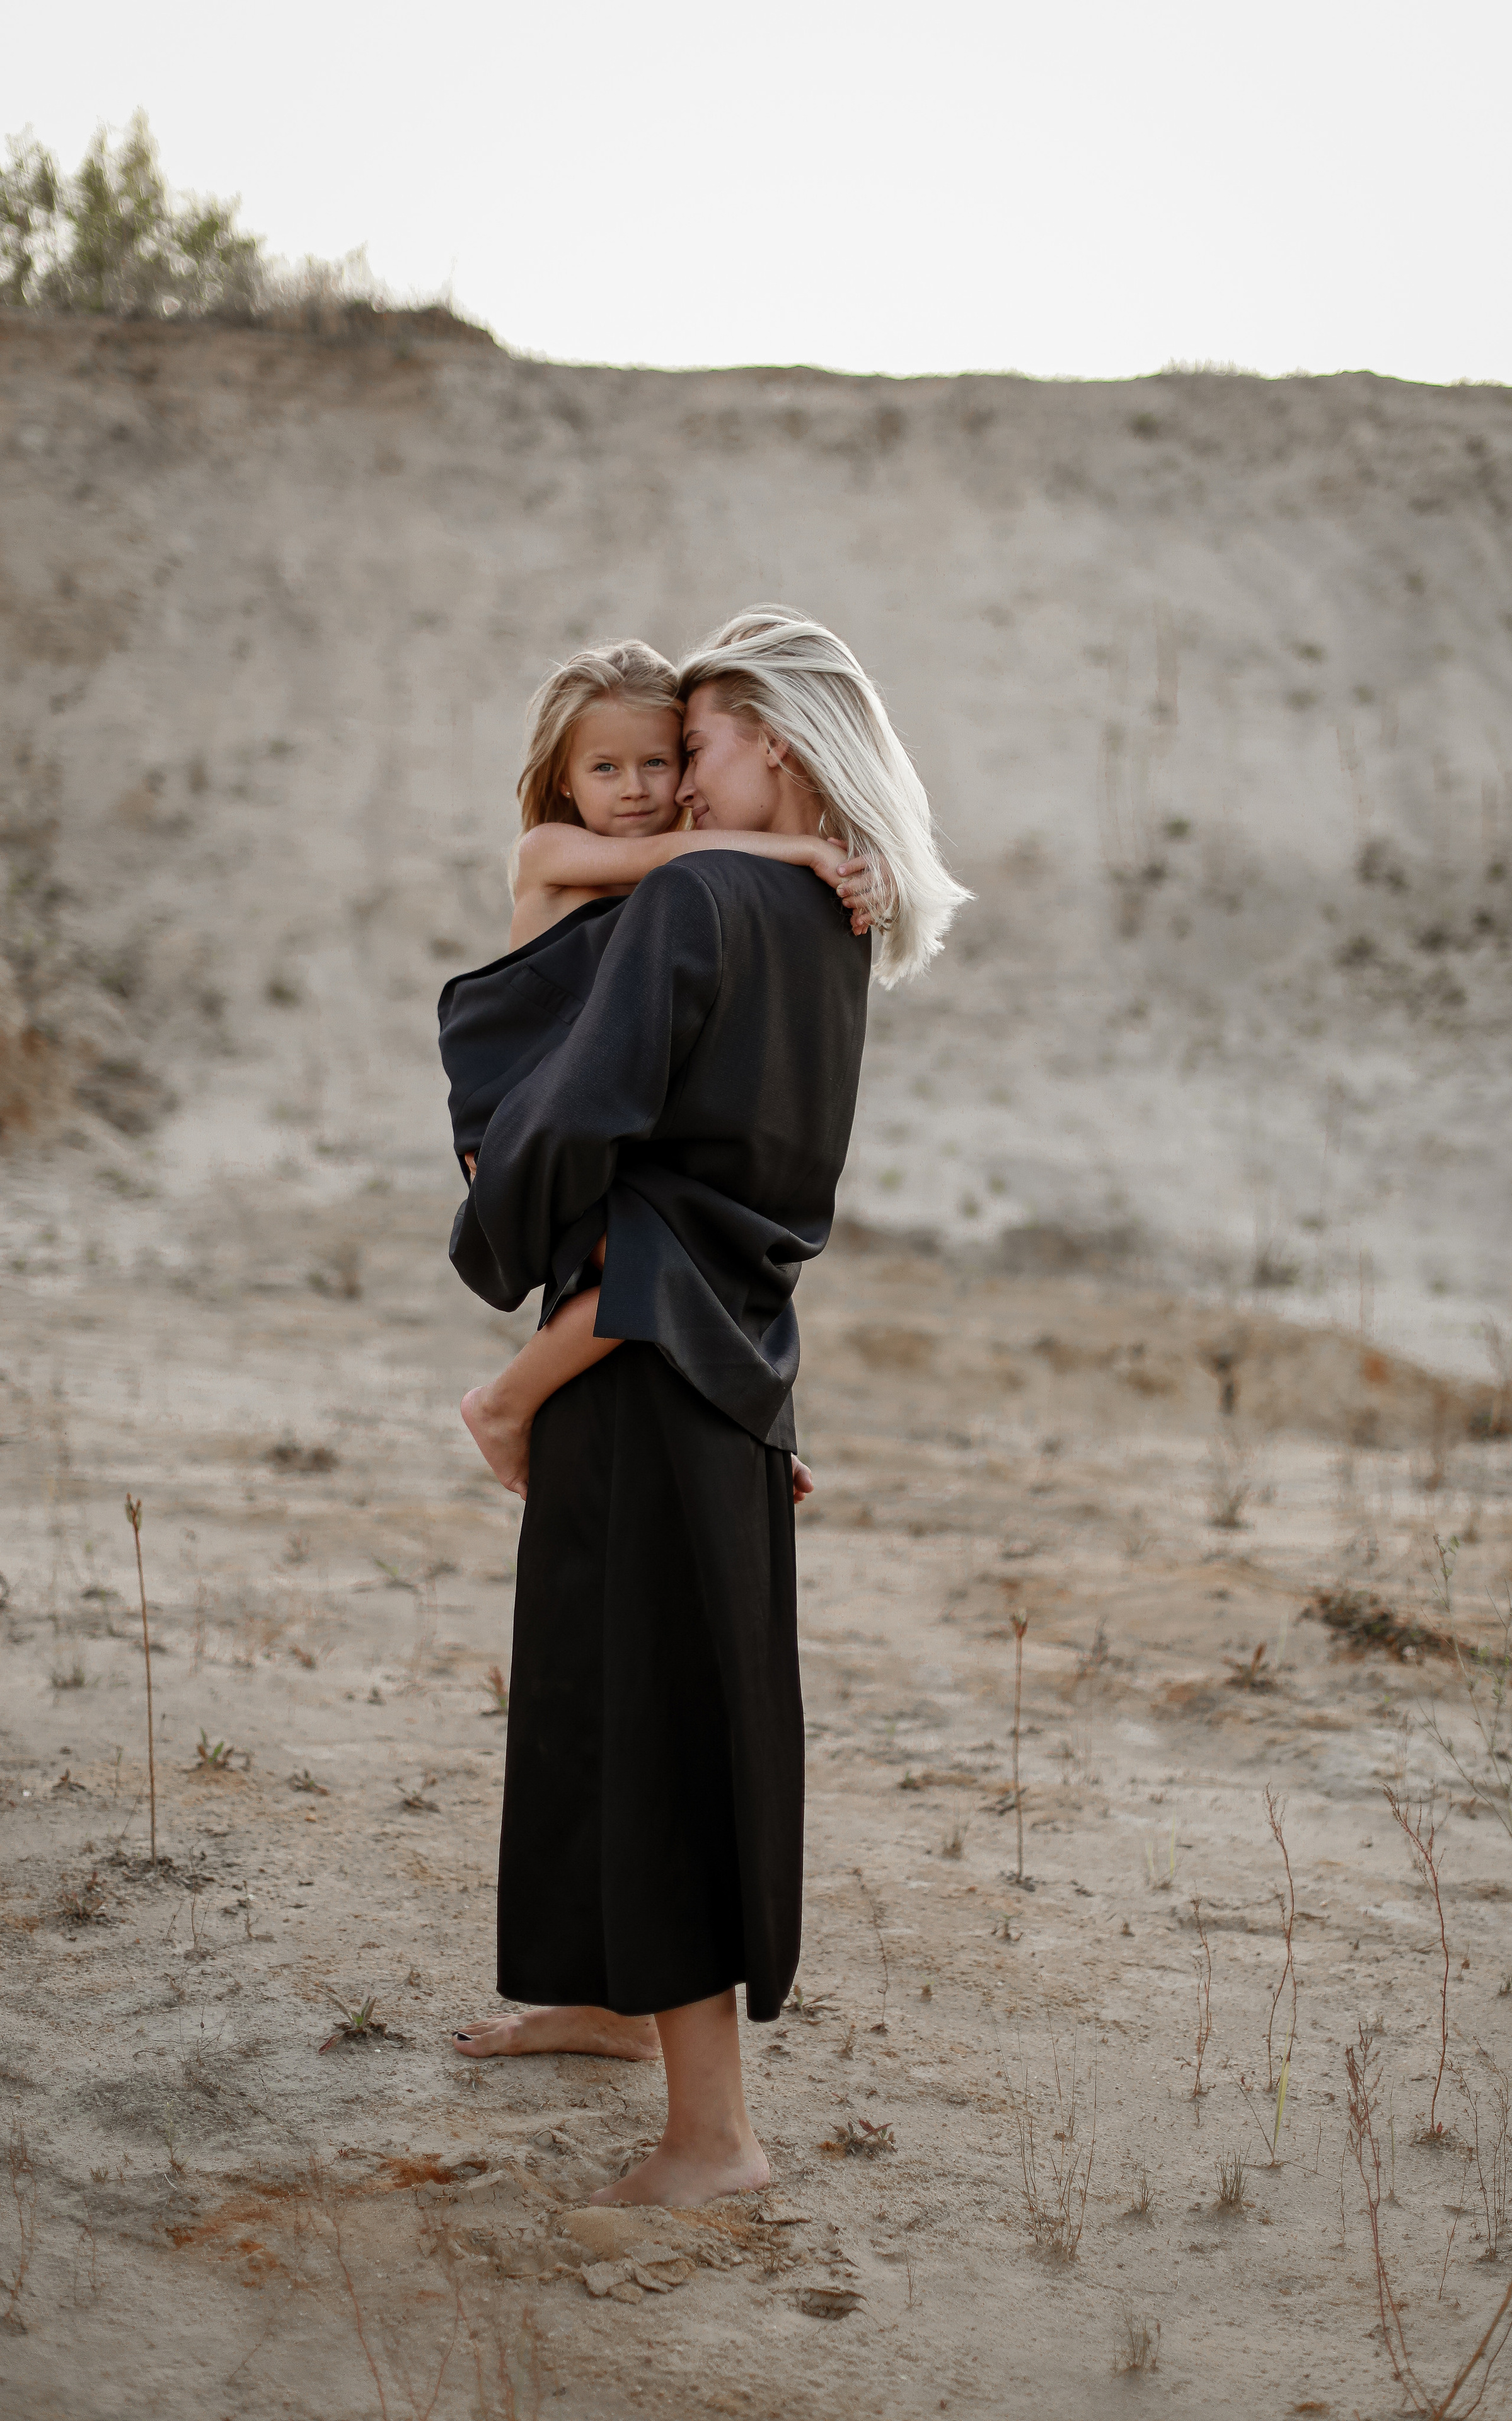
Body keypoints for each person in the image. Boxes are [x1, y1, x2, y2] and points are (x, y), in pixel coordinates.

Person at [447, 608, 969, 2205]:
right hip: (728, 1343)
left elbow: (578, 1116)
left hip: (646, 1350)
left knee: (654, 1716)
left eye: (705, 744)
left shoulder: (700, 898)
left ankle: (712, 2141)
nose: (677, 783)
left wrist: (499, 1205)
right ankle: (608, 2003)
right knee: (620, 1688)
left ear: (779, 748)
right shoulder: (835, 920)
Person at [441, 639, 876, 1498]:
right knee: (651, 1268)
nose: (638, 788)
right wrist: (803, 852)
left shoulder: (692, 858)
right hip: (516, 1102)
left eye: (660, 762)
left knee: (672, 1274)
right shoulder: (551, 850)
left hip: (587, 1097)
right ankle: (500, 1405)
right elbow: (664, 863)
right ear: (565, 778)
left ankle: (746, 1416)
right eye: (606, 767)